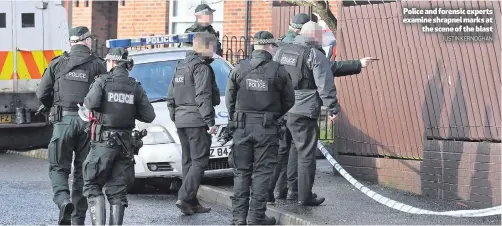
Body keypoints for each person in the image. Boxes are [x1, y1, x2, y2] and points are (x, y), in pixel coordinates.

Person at [35, 26, 107, 225]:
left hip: (63, 122)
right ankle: (77, 219)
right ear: (86, 41)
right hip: (88, 123)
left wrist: (53, 106)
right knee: (82, 172)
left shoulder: (58, 63)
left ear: (71, 43)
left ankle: (63, 200)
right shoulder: (98, 65)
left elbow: (42, 92)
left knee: (58, 167)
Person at [226, 31, 295, 225]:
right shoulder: (278, 70)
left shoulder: (239, 68)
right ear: (269, 47)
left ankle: (238, 218)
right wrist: (271, 114)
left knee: (241, 172)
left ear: (255, 46)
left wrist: (238, 117)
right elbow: (289, 100)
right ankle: (256, 217)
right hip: (267, 128)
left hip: (241, 127)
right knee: (263, 172)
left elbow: (229, 100)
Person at [81, 47, 156, 225]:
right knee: (117, 191)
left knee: (92, 184)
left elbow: (90, 103)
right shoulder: (134, 86)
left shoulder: (102, 81)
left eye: (108, 61)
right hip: (126, 145)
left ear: (113, 62)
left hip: (103, 143)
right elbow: (149, 115)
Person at [273, 21, 340, 206]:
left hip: (282, 111)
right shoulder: (314, 54)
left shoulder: (281, 51)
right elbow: (324, 84)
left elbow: (272, 77)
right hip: (303, 111)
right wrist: (332, 107)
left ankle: (282, 190)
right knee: (305, 155)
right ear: (314, 35)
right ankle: (304, 196)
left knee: (283, 152)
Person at [166, 32, 220, 215]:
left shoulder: (181, 66)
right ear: (205, 47)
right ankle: (184, 196)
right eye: (213, 47)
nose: (215, 51)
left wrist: (176, 117)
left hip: (182, 120)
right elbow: (203, 96)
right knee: (200, 161)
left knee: (188, 162)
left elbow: (171, 96)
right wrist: (209, 121)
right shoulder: (202, 68)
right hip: (196, 120)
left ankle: (192, 203)